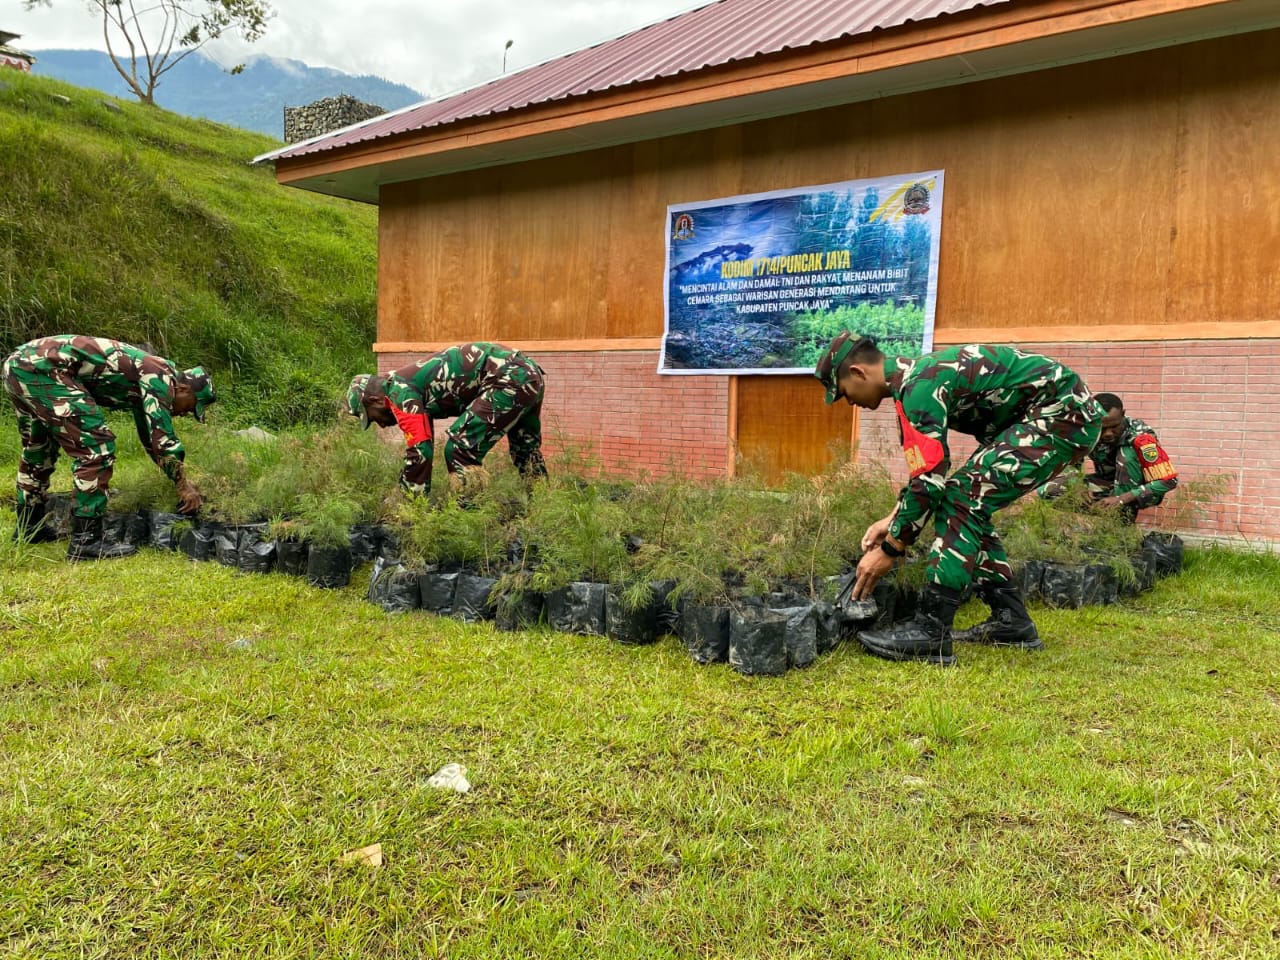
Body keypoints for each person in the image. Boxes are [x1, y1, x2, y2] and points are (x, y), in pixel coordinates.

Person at [815, 333, 1104, 665]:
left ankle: (931, 630)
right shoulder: (912, 384)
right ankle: (1011, 621)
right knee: (968, 500)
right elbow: (927, 473)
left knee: (961, 499)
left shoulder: (919, 387)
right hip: (1049, 417)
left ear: (858, 372)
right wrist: (893, 518)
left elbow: (930, 482)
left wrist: (890, 549)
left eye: (844, 392)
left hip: (1063, 417)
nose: (849, 402)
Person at [3, 334, 215, 560]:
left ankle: (30, 527)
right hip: (44, 368)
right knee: (96, 447)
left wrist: (177, 478)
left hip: (20, 365)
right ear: (184, 389)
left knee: (39, 448)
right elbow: (163, 439)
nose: (184, 414)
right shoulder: (161, 377)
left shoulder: (150, 376)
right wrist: (183, 484)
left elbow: (151, 438)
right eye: (190, 408)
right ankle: (86, 541)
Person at [346, 341, 547, 497]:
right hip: (528, 373)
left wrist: (407, 502)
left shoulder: (399, 391)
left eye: (372, 417)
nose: (381, 424)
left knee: (459, 449)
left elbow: (420, 451)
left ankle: (470, 517)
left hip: (508, 376)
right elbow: (424, 444)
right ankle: (542, 504)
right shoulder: (406, 385)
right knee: (525, 450)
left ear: (375, 400)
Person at [1081, 392, 1178, 524]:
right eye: (1102, 428)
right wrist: (1077, 486)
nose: (1108, 434)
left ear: (1123, 414)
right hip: (1107, 483)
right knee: (1056, 486)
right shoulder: (1086, 430)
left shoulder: (1141, 438)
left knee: (1127, 454)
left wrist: (1121, 499)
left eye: (1114, 426)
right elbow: (1068, 463)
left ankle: (1121, 523)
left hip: (1139, 490)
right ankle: (1090, 520)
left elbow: (1169, 481)